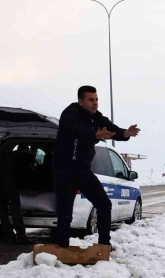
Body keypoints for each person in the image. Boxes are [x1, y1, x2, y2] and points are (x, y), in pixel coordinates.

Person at [53, 85, 140, 248]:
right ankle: (62, 248)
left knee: (104, 204)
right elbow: (78, 130)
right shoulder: (69, 114)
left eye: (97, 99)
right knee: (65, 213)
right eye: (91, 100)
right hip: (64, 171)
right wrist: (96, 135)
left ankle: (104, 245)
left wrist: (125, 133)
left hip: (82, 171)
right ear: (80, 101)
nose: (95, 103)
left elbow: (111, 128)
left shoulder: (96, 116)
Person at [0, 144, 34, 244]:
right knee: (16, 211)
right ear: (25, 150)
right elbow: (26, 174)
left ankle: (10, 237)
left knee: (3, 214)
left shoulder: (6, 156)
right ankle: (21, 237)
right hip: (9, 186)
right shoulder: (25, 158)